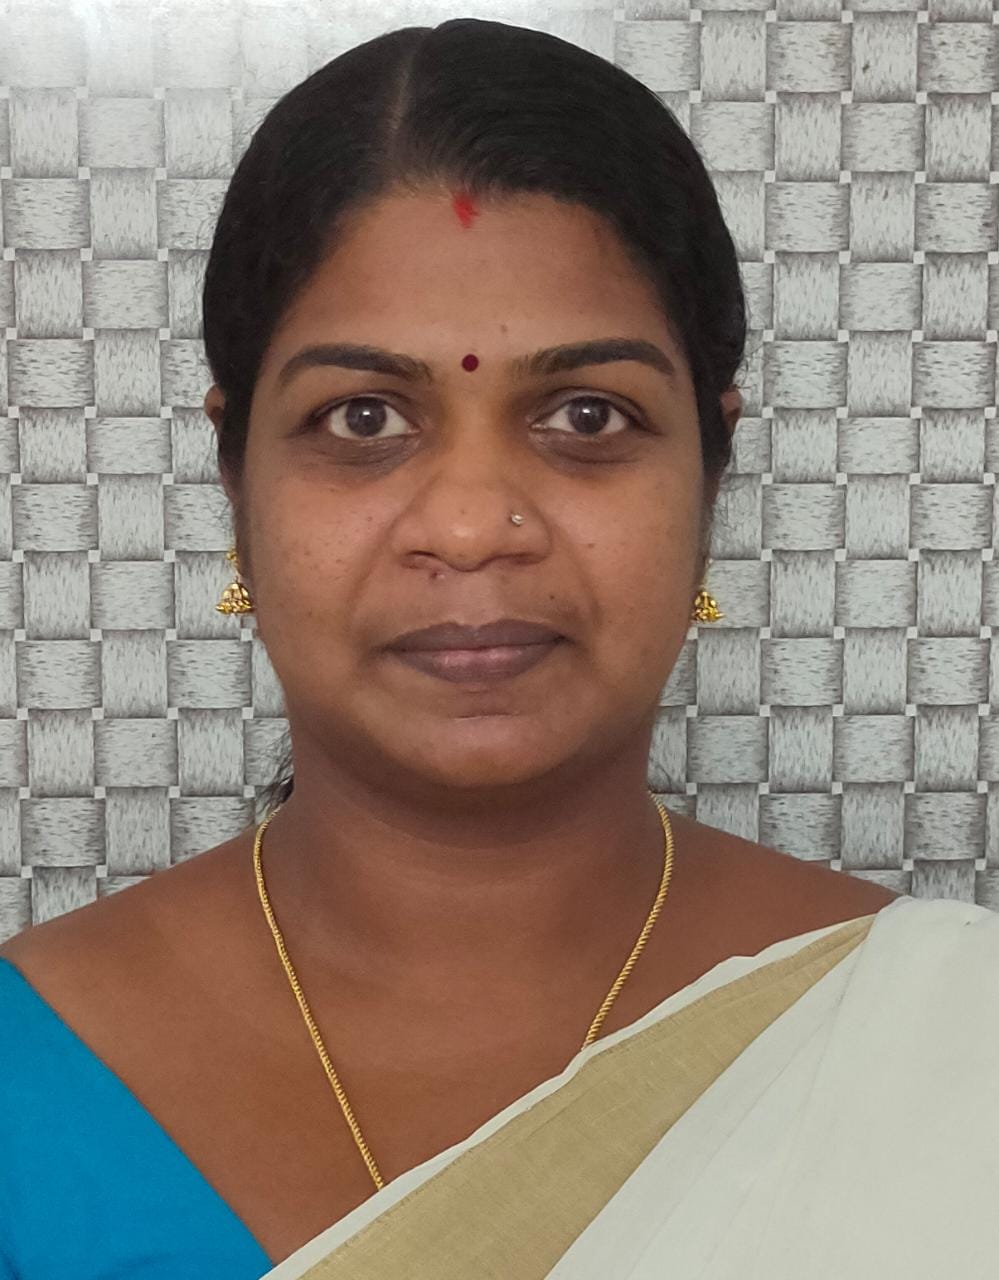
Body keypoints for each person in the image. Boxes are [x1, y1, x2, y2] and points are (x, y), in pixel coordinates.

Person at [2, 16, 997, 1280]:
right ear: (233, 476)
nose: (473, 525)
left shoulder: (946, 1046)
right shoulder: (24, 1082)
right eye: (363, 417)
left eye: (588, 414)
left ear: (713, 469)